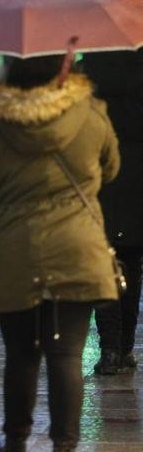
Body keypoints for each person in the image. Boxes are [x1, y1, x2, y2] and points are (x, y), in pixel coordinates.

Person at [0, 56, 120, 452]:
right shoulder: (90, 113)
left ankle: (15, 439)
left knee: (22, 355)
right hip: (76, 247)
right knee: (67, 353)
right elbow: (111, 166)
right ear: (63, 68)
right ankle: (64, 444)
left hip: (16, 250)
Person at [82, 50, 143, 375]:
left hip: (102, 174)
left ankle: (109, 350)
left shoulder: (90, 67)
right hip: (139, 178)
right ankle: (126, 348)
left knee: (104, 261)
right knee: (133, 261)